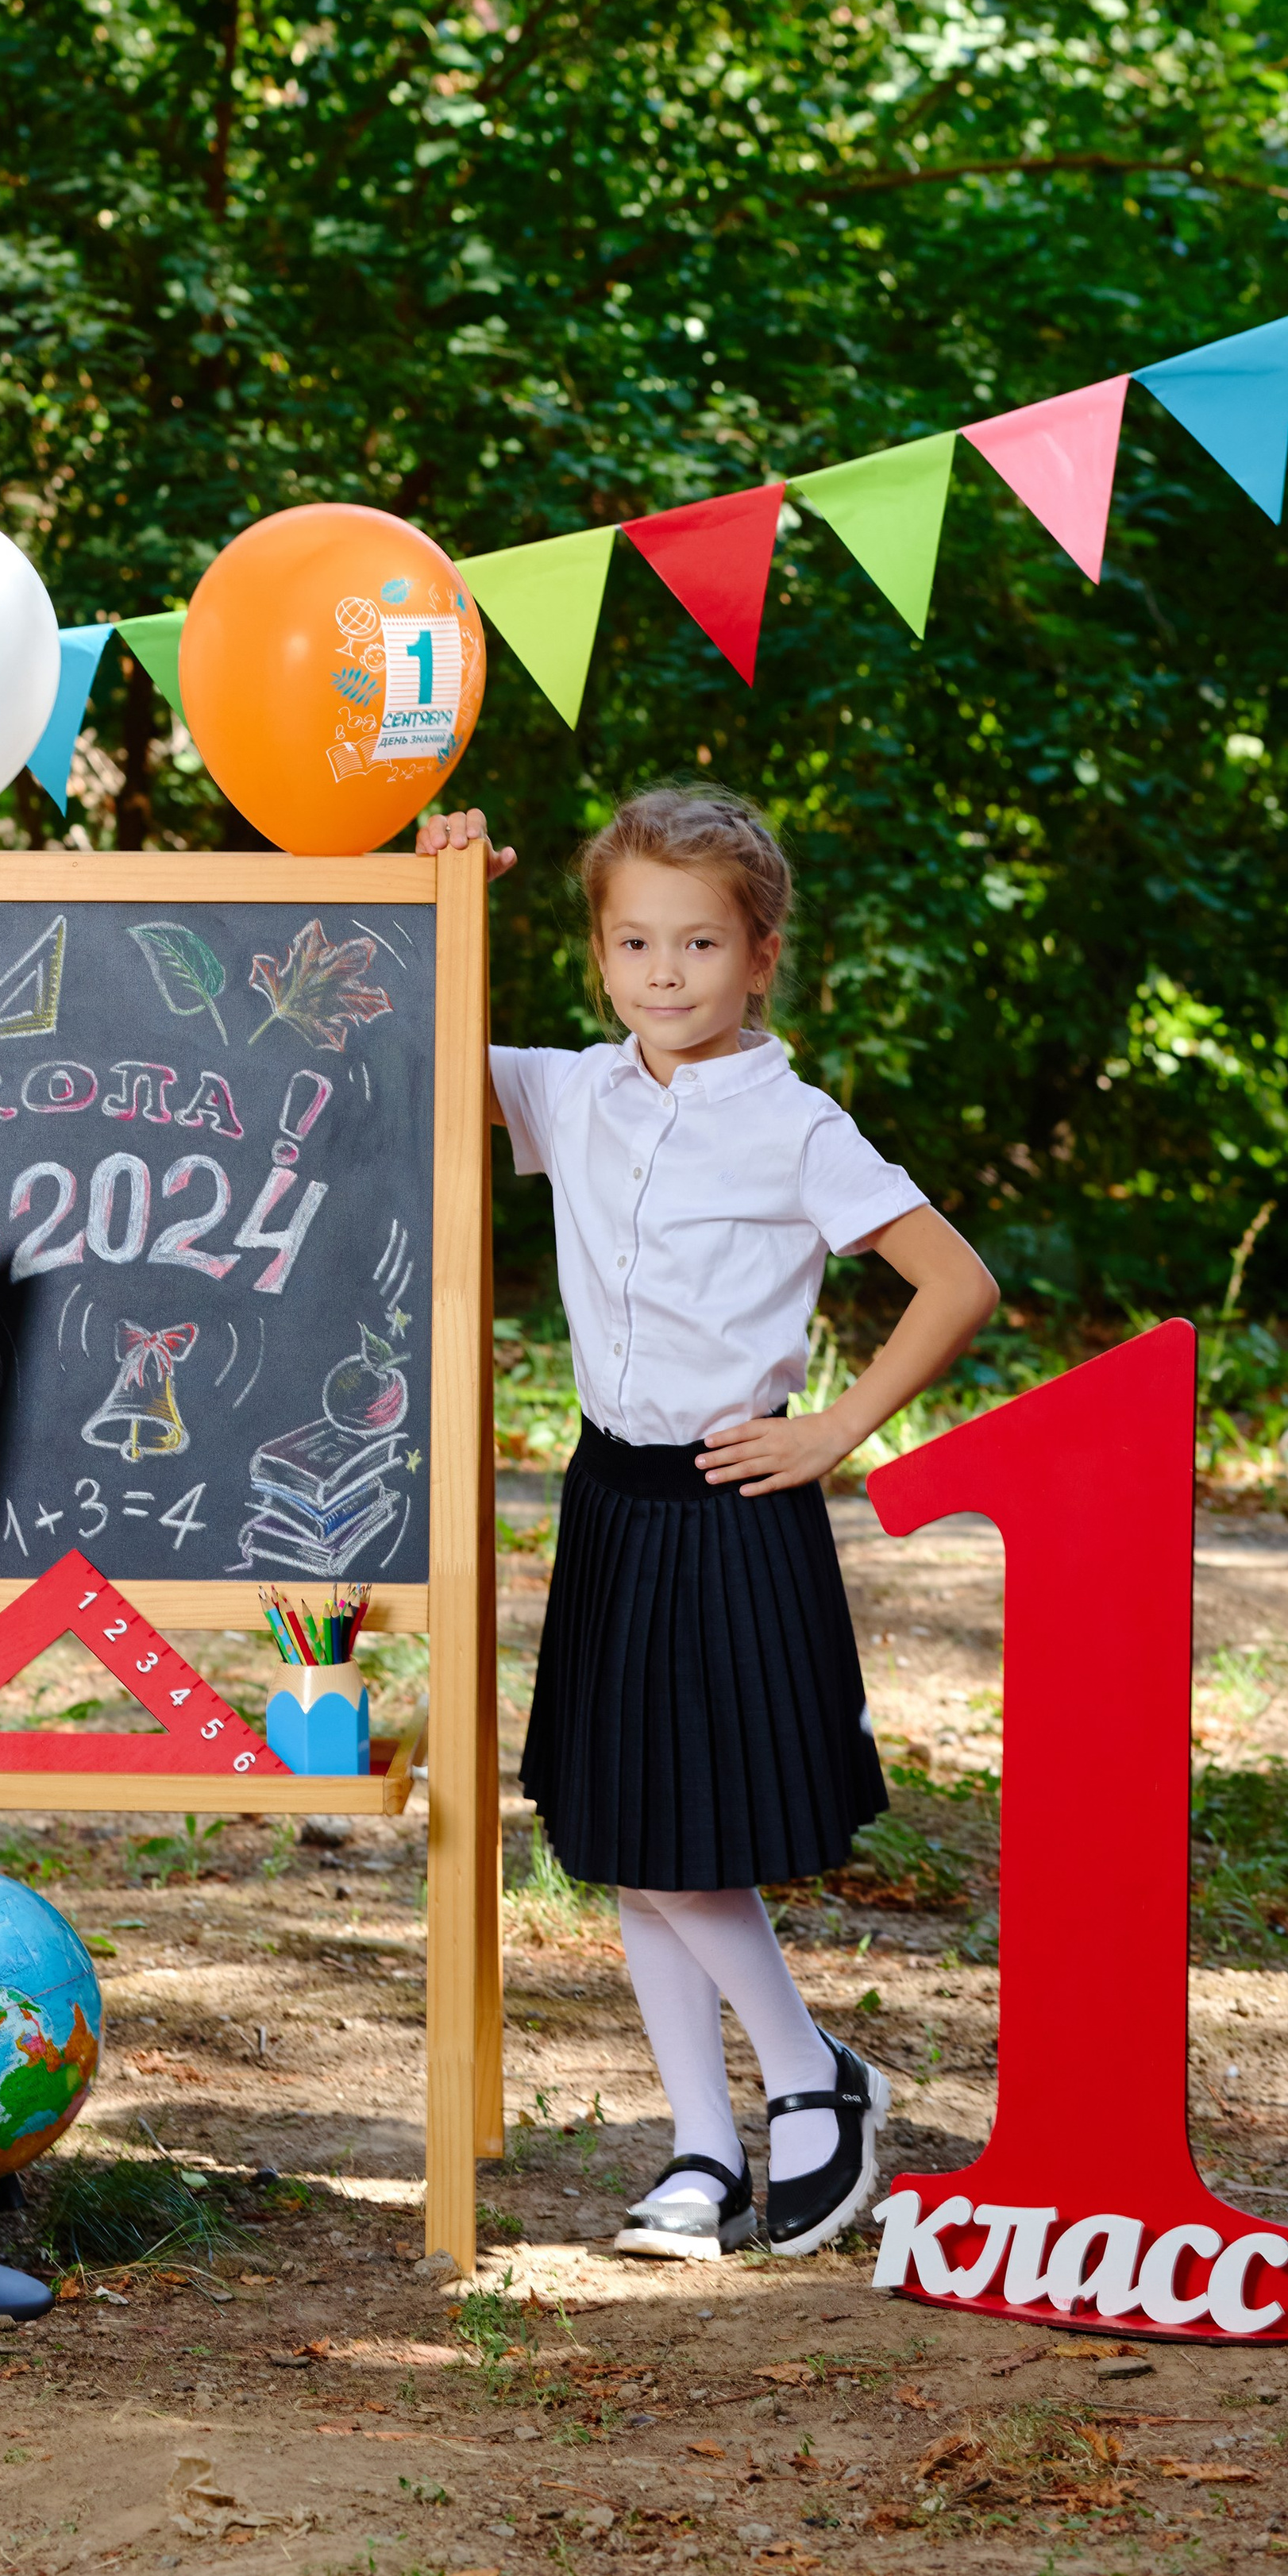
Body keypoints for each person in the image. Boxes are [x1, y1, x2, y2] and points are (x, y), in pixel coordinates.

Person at [417, 788, 997, 2260]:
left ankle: (816, 2079)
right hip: (612, 1498)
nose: (662, 973)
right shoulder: (571, 1091)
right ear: (600, 952)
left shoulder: (800, 1127)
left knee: (688, 1846)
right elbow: (402, 1034)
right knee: (627, 1837)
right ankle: (702, 2149)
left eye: (697, 943)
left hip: (732, 1506)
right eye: (633, 942)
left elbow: (957, 1283)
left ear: (758, 957)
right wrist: (444, 889)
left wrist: (834, 1430)